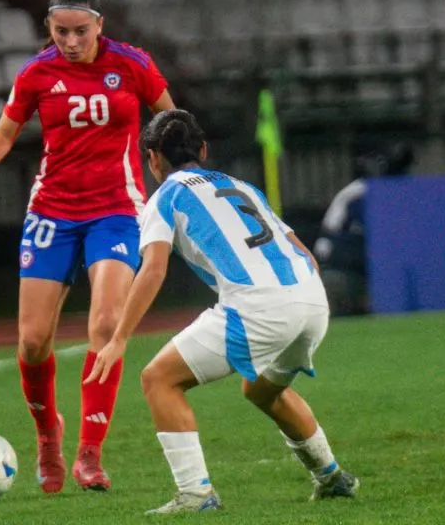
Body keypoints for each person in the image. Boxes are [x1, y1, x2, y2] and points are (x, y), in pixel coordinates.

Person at [0, 0, 175, 494]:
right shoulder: (37, 74)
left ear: (99, 24)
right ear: (49, 28)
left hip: (117, 210)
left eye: (81, 31)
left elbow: (172, 121)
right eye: (61, 32)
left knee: (105, 325)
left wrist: (179, 176)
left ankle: (89, 455)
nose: (71, 42)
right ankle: (48, 436)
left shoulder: (133, 64)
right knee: (32, 343)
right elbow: (6, 132)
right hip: (52, 212)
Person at [84, 109, 358, 514]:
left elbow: (153, 269)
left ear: (152, 158)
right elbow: (303, 253)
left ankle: (196, 494)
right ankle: (331, 477)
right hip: (312, 301)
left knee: (158, 378)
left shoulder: (165, 197)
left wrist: (119, 338)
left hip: (259, 307)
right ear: (204, 149)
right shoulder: (241, 187)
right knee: (262, 389)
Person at [313, 144, 414, 315]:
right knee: (335, 283)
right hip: (349, 263)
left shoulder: (403, 193)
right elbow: (328, 234)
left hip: (385, 265)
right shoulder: (356, 192)